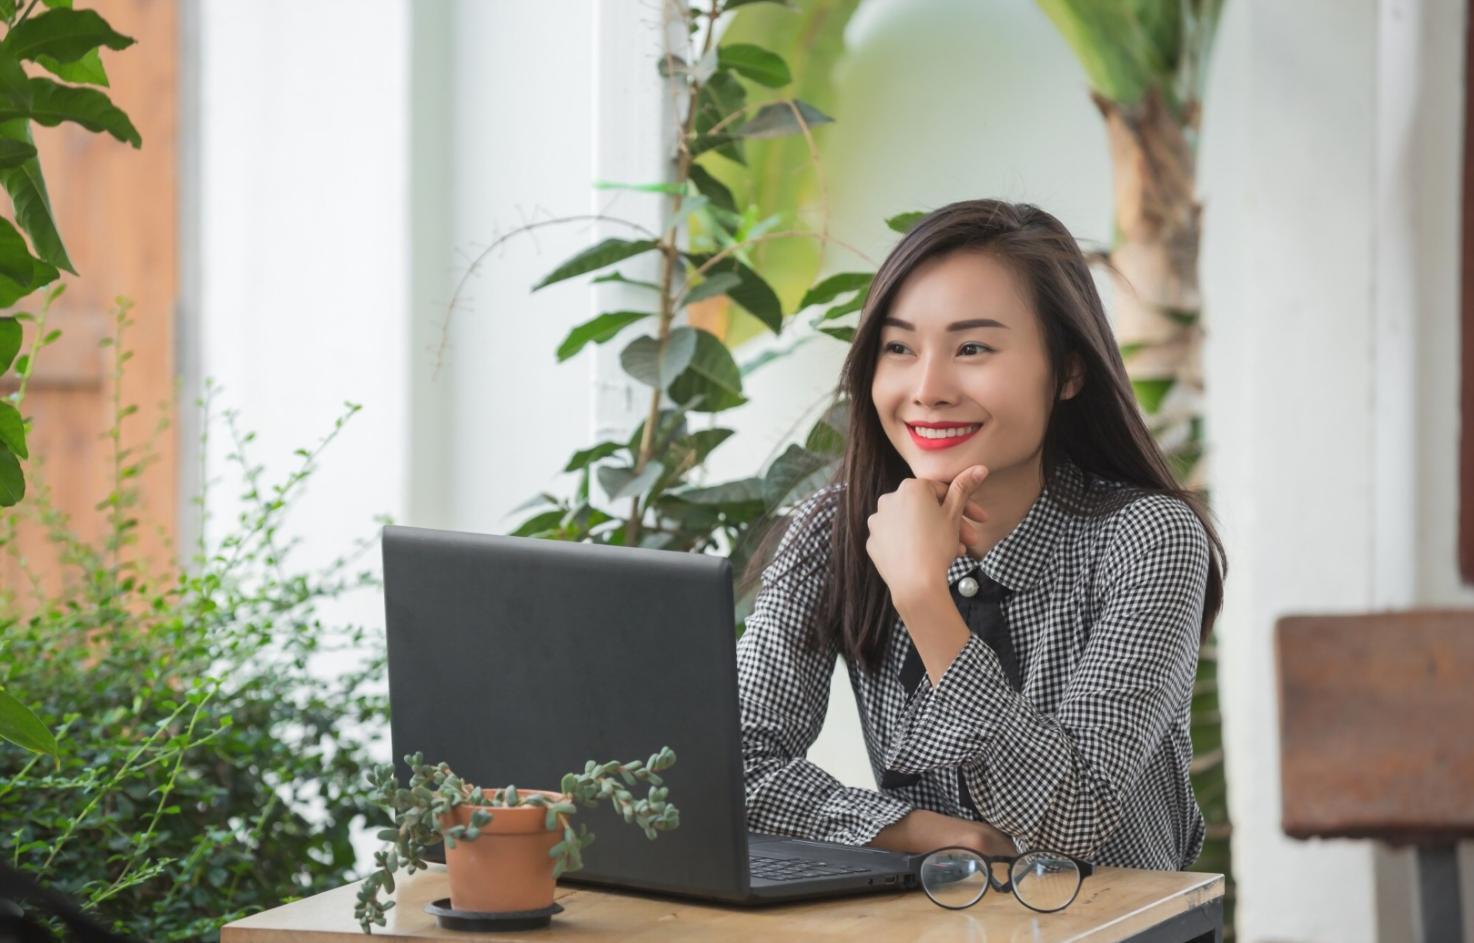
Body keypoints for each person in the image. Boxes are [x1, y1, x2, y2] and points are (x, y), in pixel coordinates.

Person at [734, 198, 1227, 870]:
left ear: (1069, 370)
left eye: (972, 348)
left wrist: (925, 601)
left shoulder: (1149, 538)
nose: (927, 388)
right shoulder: (836, 528)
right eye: (899, 348)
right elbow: (732, 767)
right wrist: (920, 832)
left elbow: (1071, 817)